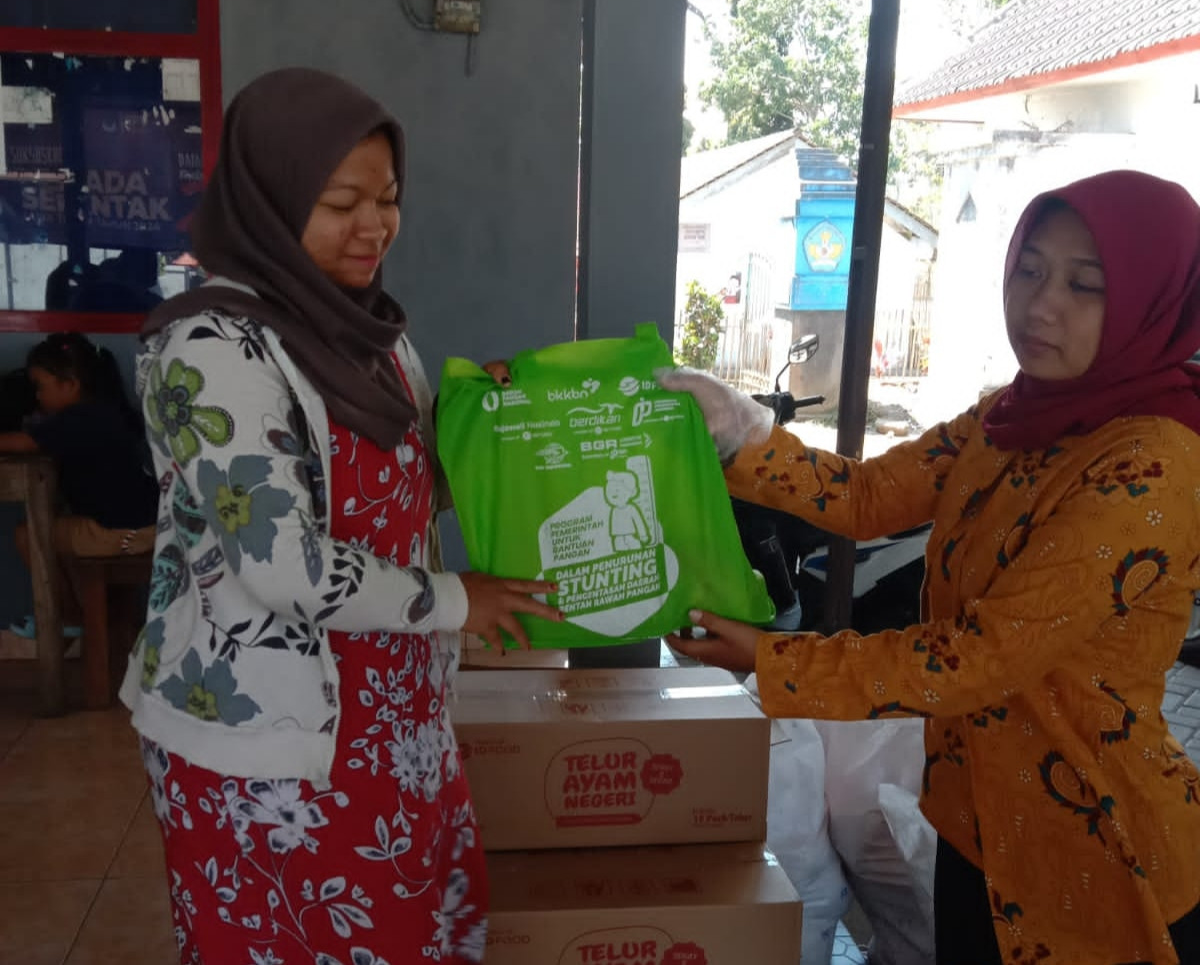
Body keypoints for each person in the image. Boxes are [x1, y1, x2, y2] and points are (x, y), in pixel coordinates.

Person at [662, 170, 1200, 965]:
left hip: (1095, 846)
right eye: (1029, 269)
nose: (1041, 303)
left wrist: (771, 658)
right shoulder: (1011, 415)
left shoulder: (1152, 462)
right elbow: (874, 493)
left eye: (1085, 284)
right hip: (973, 820)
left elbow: (979, 659)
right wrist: (742, 432)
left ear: (1155, 301)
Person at [121, 67, 561, 964]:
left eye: (389, 199)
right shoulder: (207, 349)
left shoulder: (375, 334)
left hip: (396, 721)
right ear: (273, 201)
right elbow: (280, 564)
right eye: (340, 202)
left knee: (406, 934)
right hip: (267, 747)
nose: (375, 227)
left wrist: (488, 427)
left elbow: (402, 492)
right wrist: (456, 600)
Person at [3, 332, 158, 632]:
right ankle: (94, 619)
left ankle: (72, 619)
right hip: (145, 526)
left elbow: (23, 443)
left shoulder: (78, 419)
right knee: (63, 527)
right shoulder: (106, 412)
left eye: (40, 387)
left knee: (27, 535)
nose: (37, 396)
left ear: (70, 384)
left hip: (120, 534)